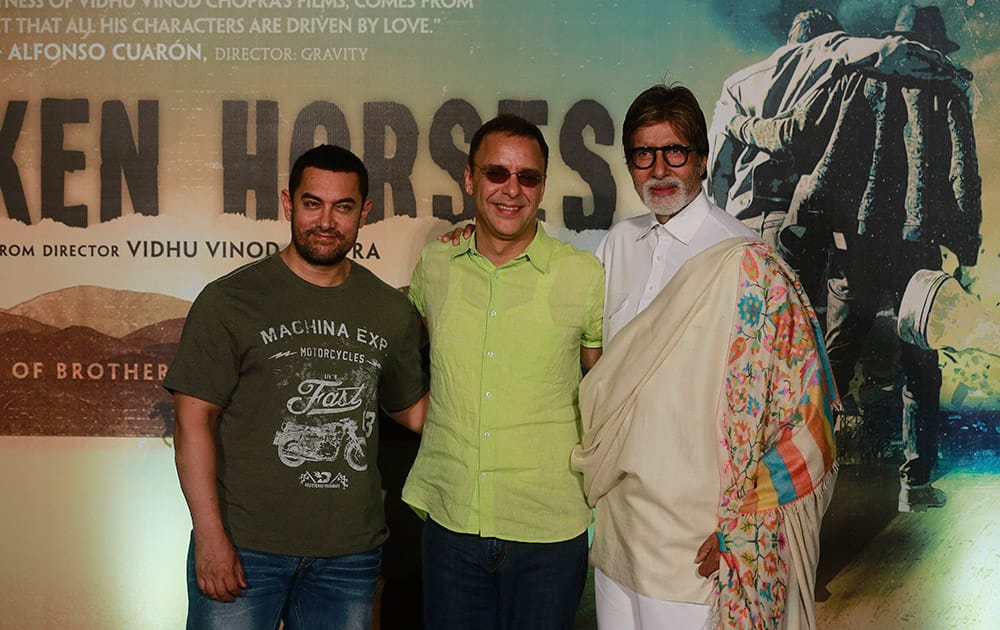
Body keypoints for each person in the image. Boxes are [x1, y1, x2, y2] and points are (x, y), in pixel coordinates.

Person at [570, 84, 838, 629]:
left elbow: (808, 415)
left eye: (676, 152)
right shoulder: (619, 244)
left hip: (699, 541)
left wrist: (745, 531)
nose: (660, 168)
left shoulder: (746, 261)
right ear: (629, 162)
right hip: (619, 526)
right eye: (644, 154)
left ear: (703, 159)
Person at [724, 4, 981, 512]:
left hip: (856, 243)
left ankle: (802, 480)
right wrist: (965, 246)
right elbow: (962, 172)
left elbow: (817, 144)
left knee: (833, 362)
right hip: (918, 246)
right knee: (920, 363)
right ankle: (916, 483)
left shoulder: (855, 78)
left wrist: (810, 213)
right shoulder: (949, 89)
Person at [165, 144, 429, 629]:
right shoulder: (230, 300)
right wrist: (209, 536)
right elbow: (191, 420)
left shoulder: (388, 309)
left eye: (343, 207)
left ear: (363, 212)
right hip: (245, 547)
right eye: (313, 203)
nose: (326, 221)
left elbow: (413, 410)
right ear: (289, 203)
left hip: (350, 554)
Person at [402, 114, 604, 629]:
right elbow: (398, 355)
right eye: (496, 174)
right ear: (470, 179)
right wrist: (416, 415)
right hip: (451, 517)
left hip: (548, 527)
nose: (511, 190)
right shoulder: (436, 265)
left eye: (528, 177)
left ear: (542, 186)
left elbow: (609, 392)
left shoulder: (582, 275)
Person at [707, 7, 970, 294]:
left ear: (791, 37)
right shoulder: (829, 48)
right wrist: (954, 74)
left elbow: (716, 173)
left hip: (740, 224)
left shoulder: (735, 84)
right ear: (828, 33)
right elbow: (896, 52)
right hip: (795, 222)